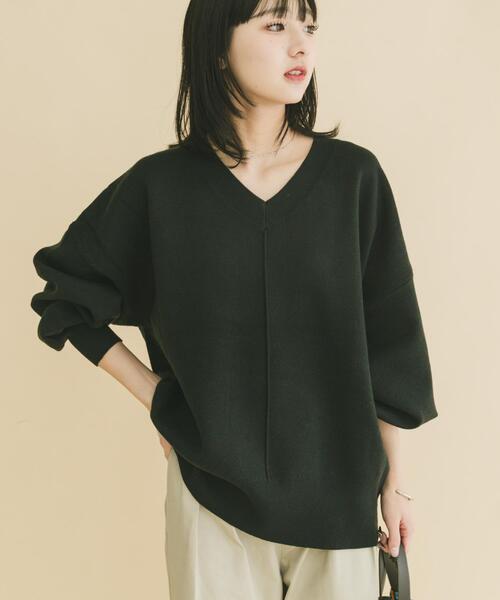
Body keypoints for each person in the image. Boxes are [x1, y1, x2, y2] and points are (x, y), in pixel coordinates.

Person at [30, 0, 439, 598]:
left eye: (308, 26)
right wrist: (157, 398)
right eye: (275, 24)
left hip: (342, 496)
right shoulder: (161, 187)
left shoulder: (354, 179)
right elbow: (66, 295)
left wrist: (394, 483)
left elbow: (391, 340)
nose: (300, 45)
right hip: (210, 496)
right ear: (218, 47)